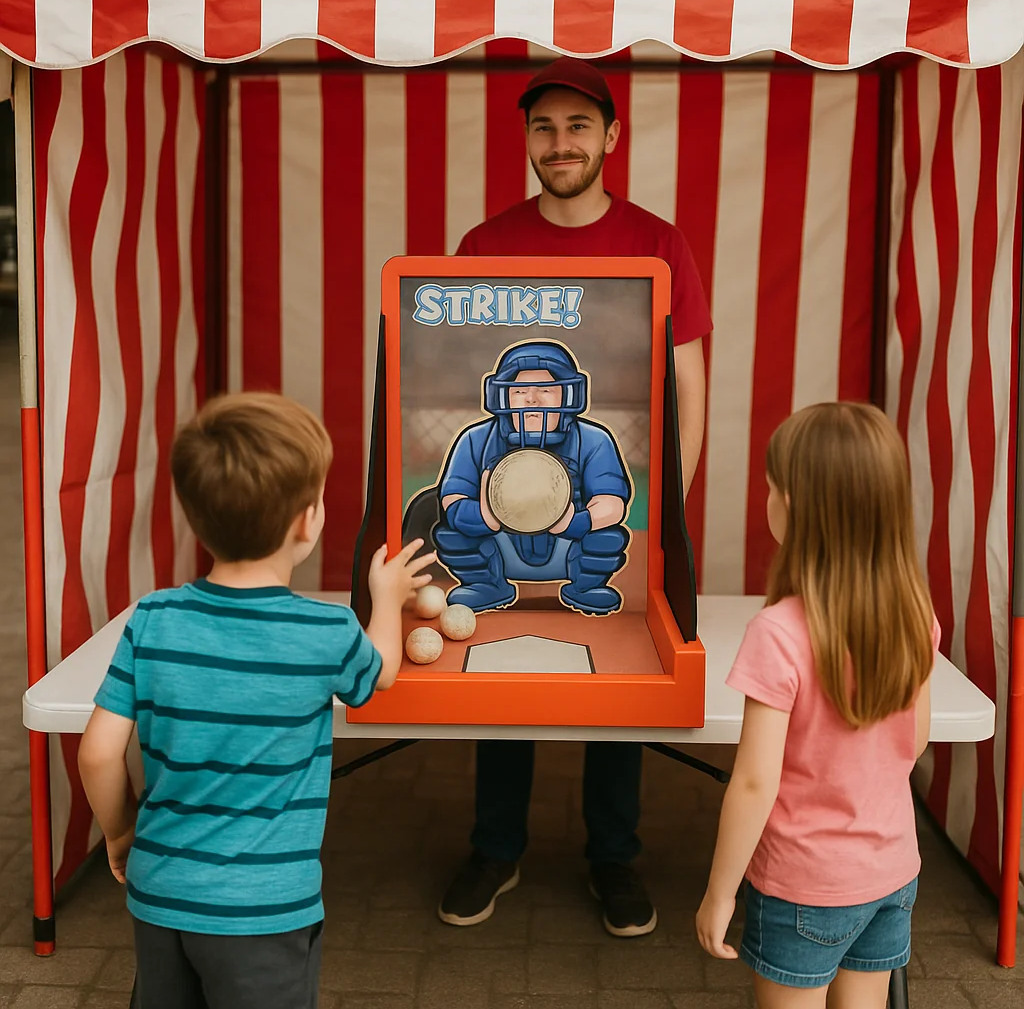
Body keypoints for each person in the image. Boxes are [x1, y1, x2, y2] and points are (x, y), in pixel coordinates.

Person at [439, 56, 714, 938]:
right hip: (501, 525)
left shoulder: (659, 243)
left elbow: (688, 382)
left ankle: (613, 855)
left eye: (579, 126)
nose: (561, 143)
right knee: (499, 660)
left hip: (606, 517)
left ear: (612, 137)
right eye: (545, 127)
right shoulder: (485, 246)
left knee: (621, 670)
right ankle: (496, 846)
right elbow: (447, 364)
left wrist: (664, 509)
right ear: (528, 139)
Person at [77, 392, 436, 1009]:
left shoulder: (154, 618)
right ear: (307, 521)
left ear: (196, 516)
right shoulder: (325, 632)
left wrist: (120, 831)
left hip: (159, 890)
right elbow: (378, 674)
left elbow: (98, 755)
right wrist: (387, 598)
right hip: (264, 910)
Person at [695, 402, 938, 1008]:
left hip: (804, 884)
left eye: (770, 488)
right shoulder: (916, 614)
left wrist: (720, 892)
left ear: (795, 506)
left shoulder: (778, 633)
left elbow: (754, 783)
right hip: (892, 873)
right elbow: (915, 742)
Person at [433, 339, 632, 614]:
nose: (532, 399)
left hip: (568, 544)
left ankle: (586, 586)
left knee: (606, 536)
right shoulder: (475, 439)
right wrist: (483, 516)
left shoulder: (594, 440)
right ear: (502, 395)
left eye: (546, 389)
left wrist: (576, 522)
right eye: (519, 390)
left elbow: (612, 503)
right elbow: (453, 498)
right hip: (499, 543)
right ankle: (485, 584)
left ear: (568, 394)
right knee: (453, 532)